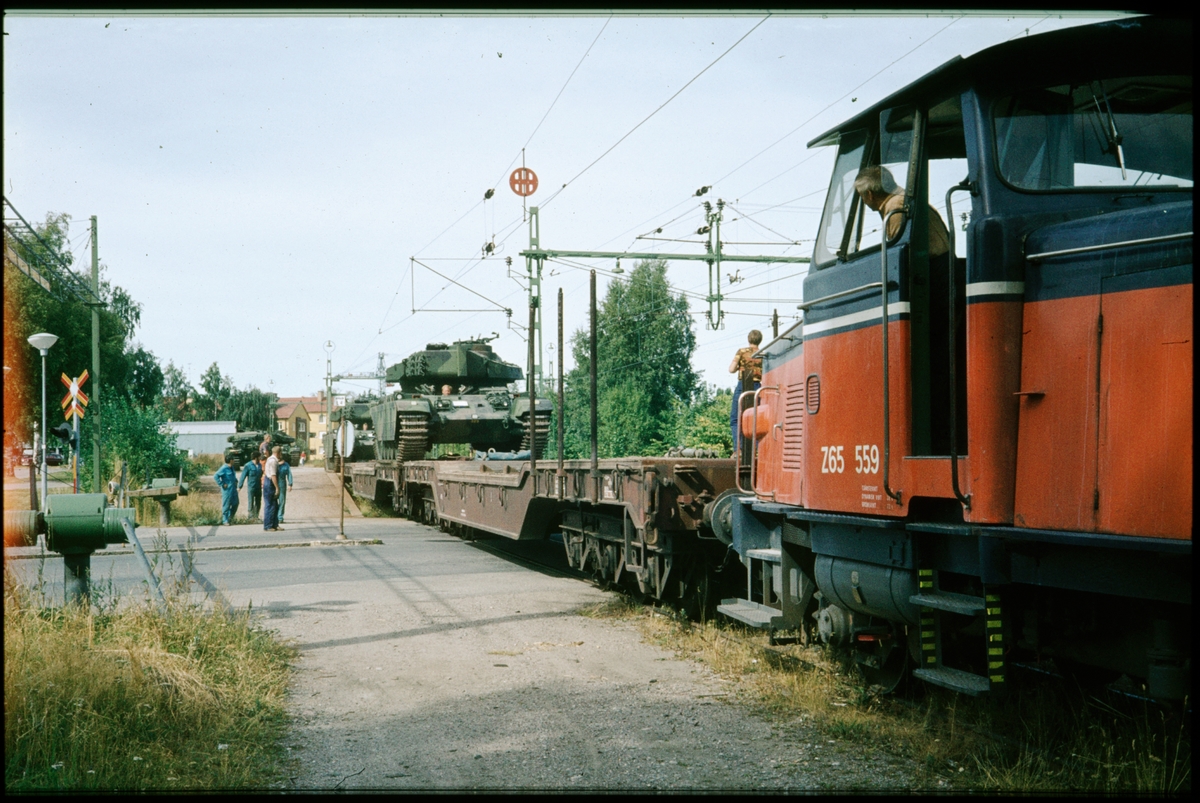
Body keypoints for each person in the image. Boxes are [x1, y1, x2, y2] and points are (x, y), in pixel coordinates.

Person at [852, 165, 949, 258]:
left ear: (869, 194)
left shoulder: (895, 207)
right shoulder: (902, 199)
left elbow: (901, 255)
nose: (863, 201)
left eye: (862, 196)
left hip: (935, 265)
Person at [729, 329, 764, 449]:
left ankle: (737, 449)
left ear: (748, 339)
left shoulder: (741, 352)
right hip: (757, 387)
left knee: (735, 418)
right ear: (760, 340)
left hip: (742, 385)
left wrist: (740, 366)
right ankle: (757, 449)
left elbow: (731, 369)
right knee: (755, 418)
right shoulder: (763, 353)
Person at [214, 454, 240, 525]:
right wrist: (222, 484)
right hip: (227, 489)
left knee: (235, 503)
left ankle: (230, 517)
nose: (234, 461)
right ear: (230, 460)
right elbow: (216, 476)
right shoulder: (224, 468)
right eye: (233, 459)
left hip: (233, 488)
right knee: (226, 505)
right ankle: (225, 520)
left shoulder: (232, 468)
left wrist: (235, 480)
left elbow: (233, 476)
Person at [262, 445, 283, 531]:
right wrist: (277, 488)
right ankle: (268, 525)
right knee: (270, 505)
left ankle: (275, 524)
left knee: (275, 505)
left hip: (269, 482)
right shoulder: (273, 461)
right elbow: (273, 475)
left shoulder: (271, 459)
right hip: (270, 483)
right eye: (281, 453)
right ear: (278, 453)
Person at [239, 454, 263, 519]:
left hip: (258, 487)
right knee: (251, 501)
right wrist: (240, 486)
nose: (260, 458)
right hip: (251, 487)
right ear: (255, 458)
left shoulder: (260, 465)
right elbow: (243, 476)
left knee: (258, 502)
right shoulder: (248, 465)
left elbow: (261, 474)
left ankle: (256, 516)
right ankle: (250, 516)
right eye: (259, 457)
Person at [277, 453, 294, 524]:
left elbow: (289, 474)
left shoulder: (286, 465)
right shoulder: (273, 463)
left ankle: (280, 517)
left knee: (282, 501)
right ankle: (273, 517)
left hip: (282, 484)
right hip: (272, 484)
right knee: (273, 502)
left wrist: (290, 484)